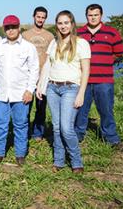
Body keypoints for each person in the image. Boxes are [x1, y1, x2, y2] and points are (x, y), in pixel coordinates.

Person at [37, 10, 90, 173]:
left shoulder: (81, 43)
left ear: (72, 24)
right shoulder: (54, 43)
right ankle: (58, 161)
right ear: (57, 25)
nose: (63, 26)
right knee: (56, 127)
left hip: (71, 88)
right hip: (53, 88)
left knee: (66, 127)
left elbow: (86, 70)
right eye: (60, 23)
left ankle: (76, 161)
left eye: (66, 22)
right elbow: (47, 66)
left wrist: (81, 93)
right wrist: (41, 86)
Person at [0, 15, 39, 166]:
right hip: (1, 93)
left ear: (19, 27)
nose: (11, 30)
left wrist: (30, 90)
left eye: (13, 27)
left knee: (21, 124)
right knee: (0, 124)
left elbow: (34, 70)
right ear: (4, 29)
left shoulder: (28, 47)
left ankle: (20, 153)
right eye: (8, 27)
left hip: (21, 94)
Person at [75, 4, 123, 148]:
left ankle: (112, 139)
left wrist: (105, 60)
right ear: (86, 16)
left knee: (106, 110)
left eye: (96, 15)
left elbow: (119, 53)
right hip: (83, 81)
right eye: (90, 15)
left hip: (104, 81)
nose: (93, 17)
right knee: (80, 110)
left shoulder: (111, 33)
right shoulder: (79, 33)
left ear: (101, 15)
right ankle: (78, 136)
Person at [22, 7, 54, 141]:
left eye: (43, 17)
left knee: (41, 107)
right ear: (33, 16)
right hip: (27, 77)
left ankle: (37, 132)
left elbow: (51, 57)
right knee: (25, 107)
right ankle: (24, 131)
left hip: (43, 78)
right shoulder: (25, 35)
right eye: (38, 16)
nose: (40, 19)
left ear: (45, 18)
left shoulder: (50, 36)